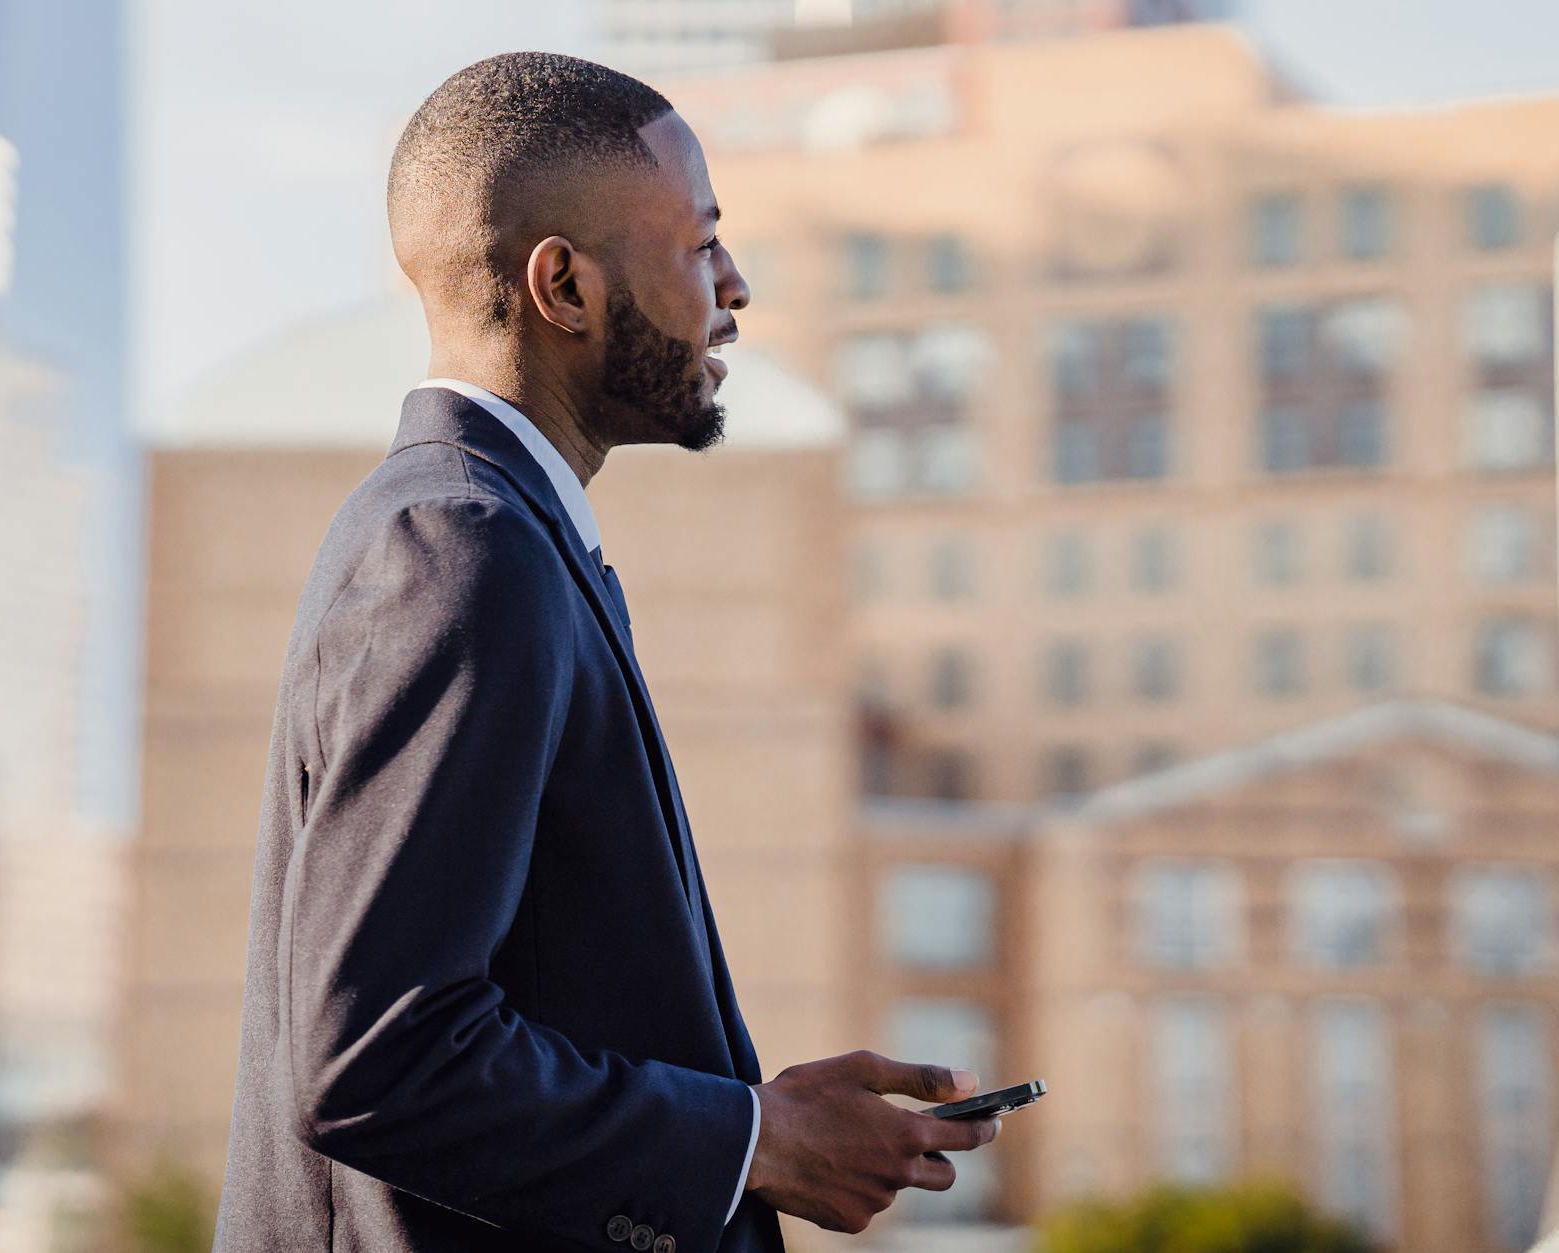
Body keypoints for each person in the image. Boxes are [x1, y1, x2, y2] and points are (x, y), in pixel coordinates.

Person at [211, 52, 999, 1253]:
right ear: (562, 286)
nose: (735, 285)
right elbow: (380, 1052)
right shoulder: (460, 550)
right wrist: (752, 1142)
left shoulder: (498, 539)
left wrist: (758, 1111)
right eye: (697, 245)